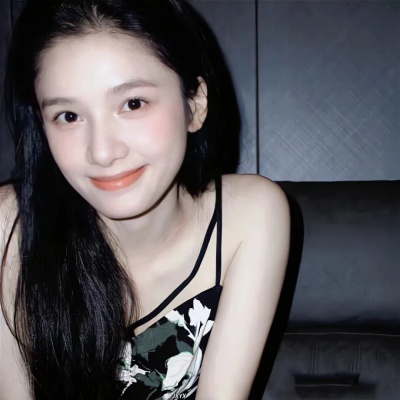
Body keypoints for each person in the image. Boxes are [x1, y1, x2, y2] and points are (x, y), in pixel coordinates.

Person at [0, 0, 290, 399]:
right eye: (68, 116)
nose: (102, 152)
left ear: (194, 104)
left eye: (133, 104)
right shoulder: (9, 224)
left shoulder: (248, 216)